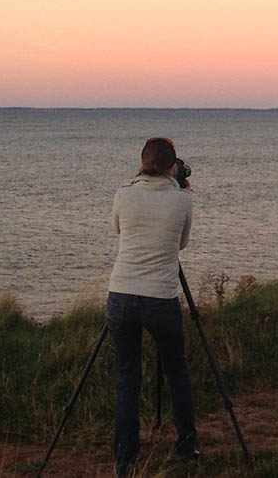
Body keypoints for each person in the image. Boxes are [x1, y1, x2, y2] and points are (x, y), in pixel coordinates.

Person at [106, 137, 198, 477]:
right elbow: (182, 244)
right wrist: (180, 190)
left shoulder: (123, 195)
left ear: (142, 164)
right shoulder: (182, 200)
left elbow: (118, 230)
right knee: (176, 370)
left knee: (127, 380)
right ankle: (186, 444)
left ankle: (125, 463)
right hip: (160, 297)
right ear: (173, 168)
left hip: (121, 293)